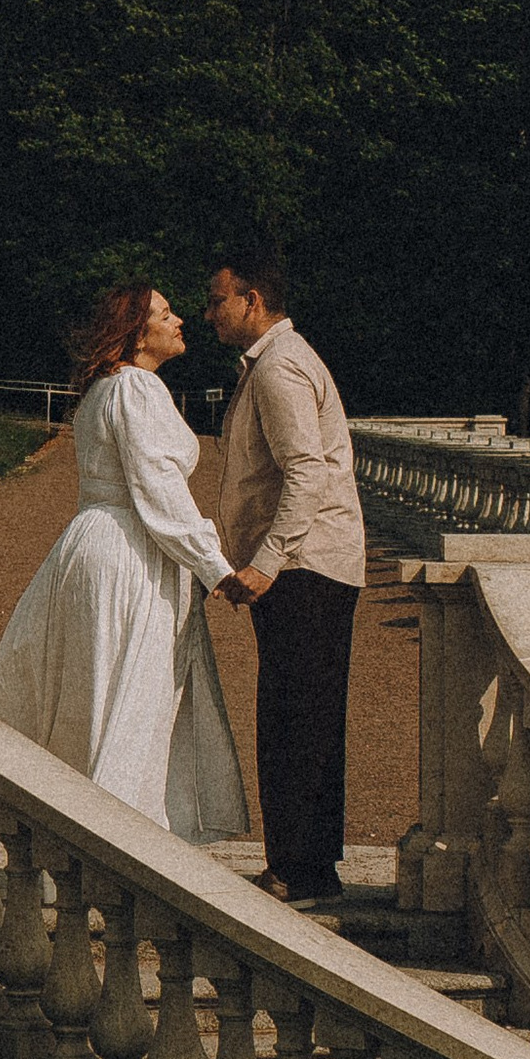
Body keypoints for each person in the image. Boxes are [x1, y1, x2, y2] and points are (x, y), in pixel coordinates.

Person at [0, 283, 248, 840]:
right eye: (165, 314)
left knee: (88, 691)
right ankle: (117, 839)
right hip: (132, 552)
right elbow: (158, 487)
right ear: (135, 332)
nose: (179, 321)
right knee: (131, 693)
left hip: (90, 545)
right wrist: (213, 564)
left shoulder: (104, 390)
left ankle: (85, 830)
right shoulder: (137, 388)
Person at [206, 236, 366, 901]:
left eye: (218, 300)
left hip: (305, 565)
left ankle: (294, 866)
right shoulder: (274, 362)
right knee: (311, 712)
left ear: (253, 299)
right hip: (316, 564)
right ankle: (311, 864)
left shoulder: (277, 367)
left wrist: (267, 562)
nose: (209, 311)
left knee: (292, 714)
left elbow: (307, 472)